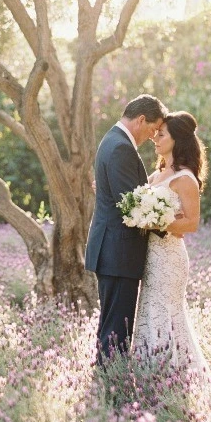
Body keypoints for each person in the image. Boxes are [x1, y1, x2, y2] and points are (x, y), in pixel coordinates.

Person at [85, 94, 168, 364]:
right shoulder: (120, 147)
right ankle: (111, 389)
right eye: (153, 129)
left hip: (112, 252)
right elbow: (131, 207)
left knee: (112, 327)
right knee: (116, 330)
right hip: (118, 253)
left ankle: (108, 386)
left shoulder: (112, 140)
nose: (152, 137)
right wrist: (166, 224)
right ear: (141, 119)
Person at [131, 110, 209, 379]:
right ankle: (146, 373)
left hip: (170, 258)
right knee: (148, 309)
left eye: (161, 134)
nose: (155, 137)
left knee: (166, 310)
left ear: (176, 139)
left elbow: (191, 224)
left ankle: (177, 374)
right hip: (150, 256)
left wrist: (156, 222)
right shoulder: (154, 177)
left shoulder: (185, 179)